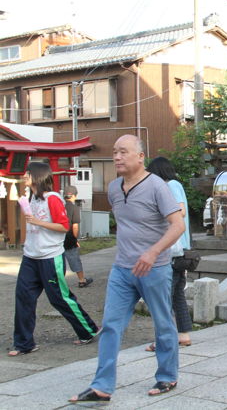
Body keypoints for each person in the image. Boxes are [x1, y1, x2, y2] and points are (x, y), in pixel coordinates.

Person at [70, 135, 184, 403]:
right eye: (114, 152)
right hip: (122, 269)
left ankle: (167, 375)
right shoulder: (113, 188)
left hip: (154, 268)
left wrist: (153, 251)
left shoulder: (157, 186)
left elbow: (178, 225)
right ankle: (102, 386)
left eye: (123, 152)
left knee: (162, 322)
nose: (117, 157)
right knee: (110, 325)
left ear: (140, 156)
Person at [9, 163, 100, 357]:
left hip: (50, 257)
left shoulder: (53, 198)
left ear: (37, 176)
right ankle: (24, 343)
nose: (24, 175)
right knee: (23, 298)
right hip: (30, 256)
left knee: (59, 298)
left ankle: (88, 329)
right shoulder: (31, 198)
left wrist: (37, 221)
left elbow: (64, 226)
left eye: (28, 173)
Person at [145, 156, 193, 351]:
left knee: (163, 296)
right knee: (177, 296)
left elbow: (178, 211)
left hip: (172, 250)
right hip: (180, 249)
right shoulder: (175, 184)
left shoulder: (170, 185)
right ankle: (183, 335)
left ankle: (164, 339)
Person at [62, 185, 93, 288]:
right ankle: (81, 280)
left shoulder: (61, 207)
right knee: (74, 259)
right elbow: (75, 227)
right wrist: (75, 239)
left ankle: (57, 281)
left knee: (59, 261)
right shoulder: (74, 208)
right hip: (69, 238)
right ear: (74, 196)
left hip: (58, 238)